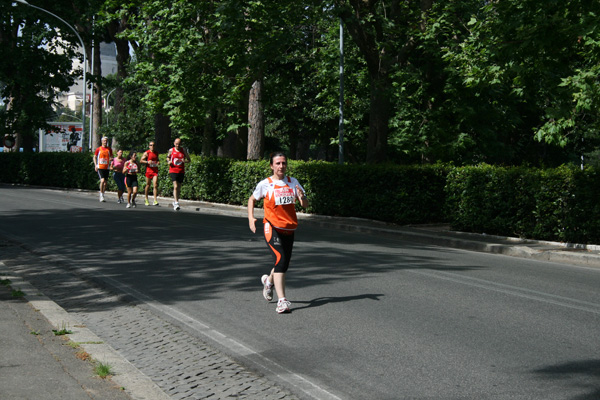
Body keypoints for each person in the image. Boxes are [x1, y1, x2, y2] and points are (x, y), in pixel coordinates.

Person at [247, 152, 309, 314]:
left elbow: (305, 205)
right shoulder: (265, 184)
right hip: (271, 226)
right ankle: (282, 301)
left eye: (283, 163)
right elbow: (252, 199)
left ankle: (268, 281)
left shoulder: (293, 182)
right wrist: (251, 218)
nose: (281, 166)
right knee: (280, 259)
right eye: (278, 163)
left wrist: (302, 198)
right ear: (271, 166)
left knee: (283, 264)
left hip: (289, 228)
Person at [167, 138, 190, 211]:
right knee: (176, 186)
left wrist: (185, 161)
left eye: (179, 144)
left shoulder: (183, 151)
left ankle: (175, 200)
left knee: (179, 187)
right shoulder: (171, 150)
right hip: (173, 170)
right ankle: (176, 202)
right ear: (174, 143)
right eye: (176, 144)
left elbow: (189, 160)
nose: (177, 145)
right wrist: (169, 161)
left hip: (181, 171)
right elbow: (168, 158)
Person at [93, 137, 113, 202]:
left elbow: (111, 157)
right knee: (102, 180)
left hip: (106, 167)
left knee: (105, 183)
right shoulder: (98, 149)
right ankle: (101, 195)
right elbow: (95, 157)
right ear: (102, 141)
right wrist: (95, 165)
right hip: (100, 167)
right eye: (104, 141)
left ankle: (103, 194)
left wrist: (111, 161)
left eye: (106, 141)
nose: (105, 142)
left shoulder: (109, 149)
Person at [140, 141, 160, 206]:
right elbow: (141, 160)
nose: (152, 146)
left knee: (155, 185)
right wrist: (147, 162)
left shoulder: (156, 153)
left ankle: (155, 200)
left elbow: (157, 160)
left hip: (155, 171)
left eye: (153, 145)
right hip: (149, 171)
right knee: (148, 185)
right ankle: (146, 198)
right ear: (149, 146)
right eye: (151, 145)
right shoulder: (147, 153)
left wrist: (158, 162)